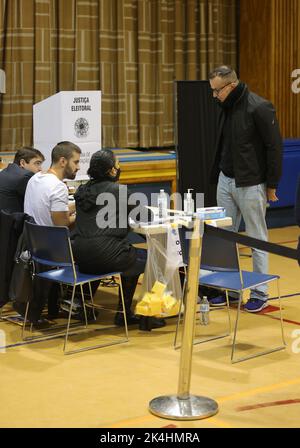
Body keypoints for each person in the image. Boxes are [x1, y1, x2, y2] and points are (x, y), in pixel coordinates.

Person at [208, 65, 282, 313]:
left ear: (230, 86)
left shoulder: (259, 107)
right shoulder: (224, 107)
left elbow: (274, 147)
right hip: (225, 179)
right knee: (224, 238)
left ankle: (260, 293)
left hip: (251, 184)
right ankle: (229, 290)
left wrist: (271, 185)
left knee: (256, 238)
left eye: (217, 91)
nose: (214, 96)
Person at [72, 149, 165, 330]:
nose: (119, 167)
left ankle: (89, 307)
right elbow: (144, 215)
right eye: (118, 164)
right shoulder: (118, 190)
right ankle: (145, 315)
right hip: (107, 256)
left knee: (128, 256)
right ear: (111, 171)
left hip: (81, 256)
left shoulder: (82, 190)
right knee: (153, 258)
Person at [24, 141, 81, 227]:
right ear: (62, 161)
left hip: (32, 237)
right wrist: (83, 215)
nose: (78, 167)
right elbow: (62, 224)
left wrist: (79, 206)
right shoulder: (58, 187)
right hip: (51, 239)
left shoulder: (35, 178)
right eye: (76, 162)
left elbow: (49, 210)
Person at [0, 147, 44, 213]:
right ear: (22, 163)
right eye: (37, 163)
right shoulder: (25, 176)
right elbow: (42, 199)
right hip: (15, 221)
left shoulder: (5, 171)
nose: (40, 169)